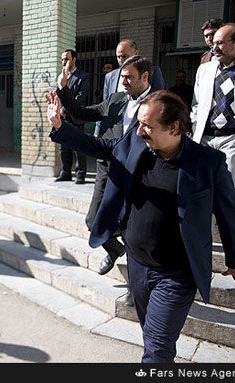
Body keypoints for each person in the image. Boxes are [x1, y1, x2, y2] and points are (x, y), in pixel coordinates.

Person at [47, 89, 235, 363]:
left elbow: (228, 213)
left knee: (156, 349)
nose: (140, 131)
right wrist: (61, 126)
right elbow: (101, 148)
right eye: (139, 123)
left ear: (174, 127)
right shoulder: (136, 143)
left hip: (177, 273)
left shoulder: (207, 162)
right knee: (153, 338)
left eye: (147, 125)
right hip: (138, 266)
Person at [56, 56, 157, 305]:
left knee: (133, 232)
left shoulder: (159, 104)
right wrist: (63, 89)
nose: (123, 81)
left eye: (128, 77)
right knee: (93, 219)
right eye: (121, 76)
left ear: (145, 77)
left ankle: (135, 291)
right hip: (108, 169)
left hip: (139, 176)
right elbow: (82, 112)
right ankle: (113, 248)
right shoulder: (116, 99)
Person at [191, 23, 235, 211]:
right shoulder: (204, 70)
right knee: (203, 186)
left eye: (220, 43)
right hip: (205, 138)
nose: (214, 48)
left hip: (234, 137)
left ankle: (232, 233)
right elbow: (196, 104)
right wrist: (193, 127)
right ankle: (204, 231)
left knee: (230, 186)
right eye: (213, 43)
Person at [55, 49, 90, 184]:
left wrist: (65, 109)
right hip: (63, 119)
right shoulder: (60, 77)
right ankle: (66, 173)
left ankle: (80, 175)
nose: (64, 62)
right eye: (62, 59)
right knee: (63, 147)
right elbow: (57, 95)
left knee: (78, 147)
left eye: (67, 59)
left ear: (74, 60)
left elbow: (80, 97)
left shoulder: (83, 76)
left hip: (76, 117)